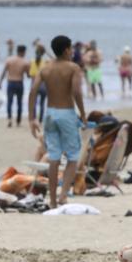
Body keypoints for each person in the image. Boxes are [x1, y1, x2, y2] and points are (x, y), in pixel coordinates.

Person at [29, 35, 86, 210]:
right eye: (72, 49)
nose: (73, 52)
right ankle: (63, 196)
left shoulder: (45, 69)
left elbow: (33, 91)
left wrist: (31, 118)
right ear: (67, 50)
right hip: (66, 113)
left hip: (50, 114)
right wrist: (83, 114)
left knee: (53, 158)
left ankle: (52, 200)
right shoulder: (73, 68)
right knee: (72, 156)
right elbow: (76, 91)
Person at [0, 44, 30, 128]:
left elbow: (4, 72)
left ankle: (9, 119)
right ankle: (18, 121)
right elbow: (28, 75)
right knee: (19, 103)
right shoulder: (25, 62)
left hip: (10, 83)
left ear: (17, 50)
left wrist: (0, 82)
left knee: (9, 102)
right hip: (19, 83)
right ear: (23, 52)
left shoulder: (9, 60)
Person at [30, 44, 48, 121]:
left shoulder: (31, 62)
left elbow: (30, 75)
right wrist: (46, 52)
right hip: (43, 86)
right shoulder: (46, 62)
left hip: (34, 85)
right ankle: (40, 119)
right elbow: (56, 60)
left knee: (33, 103)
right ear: (42, 54)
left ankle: (34, 118)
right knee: (42, 103)